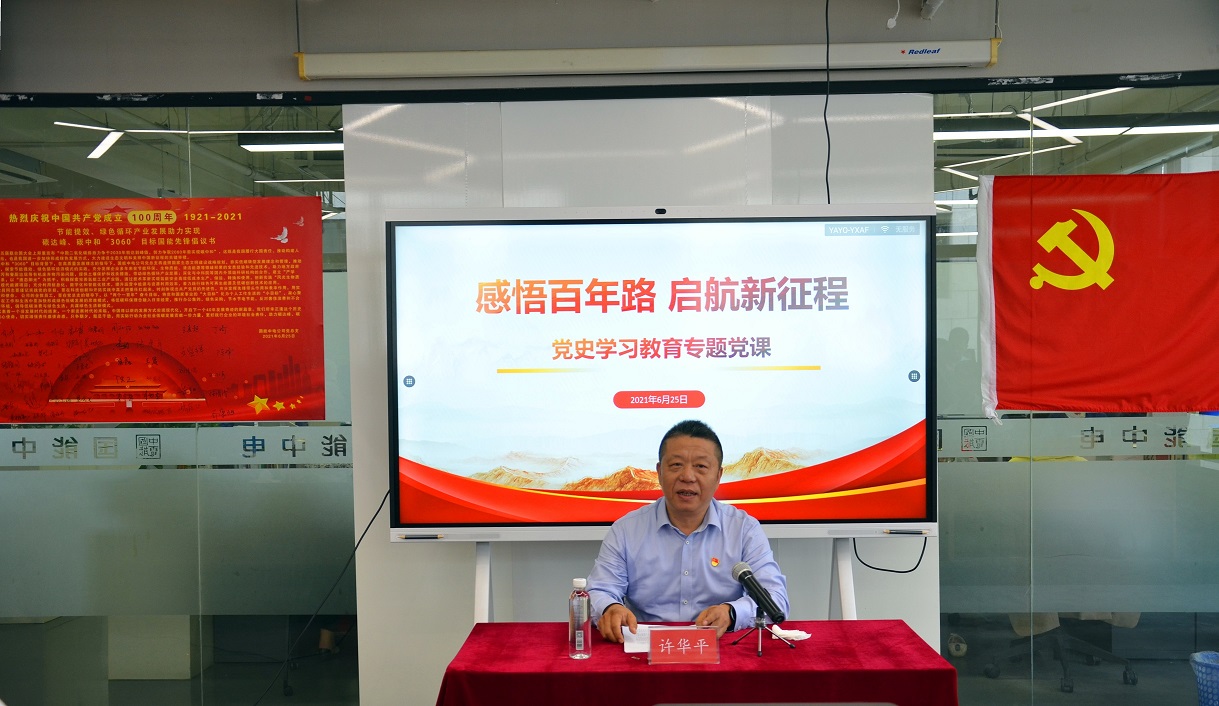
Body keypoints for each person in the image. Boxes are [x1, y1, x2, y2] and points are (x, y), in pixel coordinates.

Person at [586, 419, 789, 643]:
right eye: (676, 465)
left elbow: (775, 599)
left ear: (718, 475)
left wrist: (732, 613)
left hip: (722, 647)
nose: (687, 477)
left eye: (700, 466)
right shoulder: (626, 530)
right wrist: (610, 608)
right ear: (659, 472)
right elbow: (599, 591)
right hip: (646, 648)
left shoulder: (743, 529)